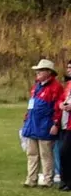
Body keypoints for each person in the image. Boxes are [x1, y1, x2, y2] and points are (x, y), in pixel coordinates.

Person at [21, 60, 62, 188]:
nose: (37, 73)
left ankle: (47, 180)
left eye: (41, 70)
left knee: (46, 155)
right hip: (32, 124)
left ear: (48, 72)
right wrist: (26, 118)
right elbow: (31, 105)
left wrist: (55, 124)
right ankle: (31, 179)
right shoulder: (36, 86)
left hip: (45, 125)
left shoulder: (56, 87)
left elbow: (57, 108)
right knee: (31, 154)